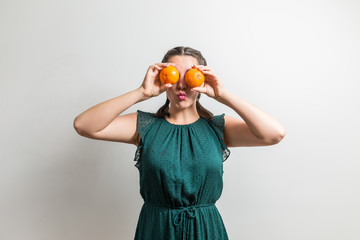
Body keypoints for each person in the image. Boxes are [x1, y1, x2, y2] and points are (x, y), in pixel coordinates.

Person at [73, 46, 286, 240]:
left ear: (202, 79)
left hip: (206, 230)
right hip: (156, 229)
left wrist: (223, 95)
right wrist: (141, 92)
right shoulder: (145, 126)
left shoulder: (218, 127)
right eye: (174, 75)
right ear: (162, 78)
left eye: (190, 75)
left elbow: (274, 134)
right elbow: (84, 125)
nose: (182, 84)